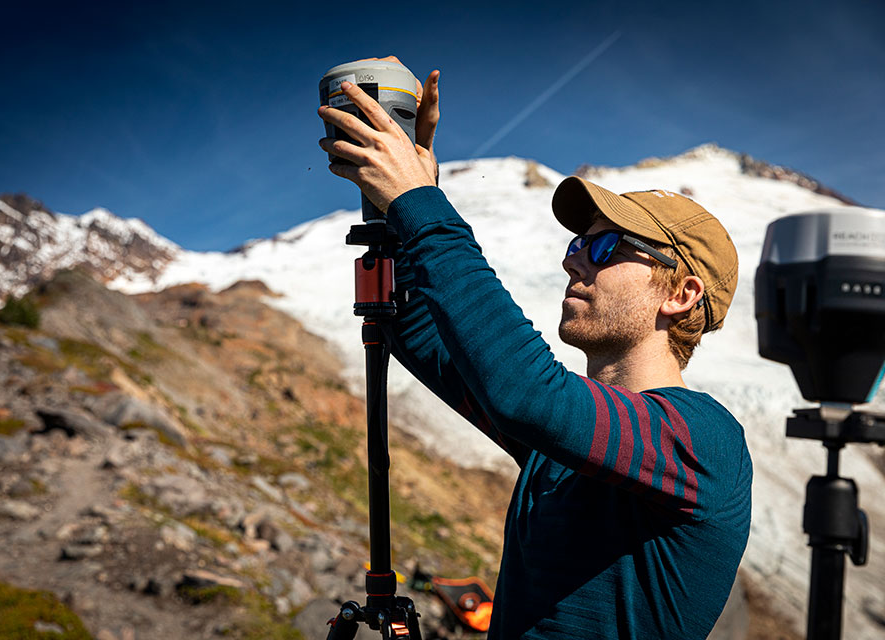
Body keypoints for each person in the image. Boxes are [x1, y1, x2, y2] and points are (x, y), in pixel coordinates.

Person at [318, 60, 752, 640]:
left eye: (604, 249)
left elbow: (523, 392)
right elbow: (417, 331)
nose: (573, 259)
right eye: (577, 244)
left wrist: (423, 205)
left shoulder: (703, 440)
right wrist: (393, 206)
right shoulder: (560, 451)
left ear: (681, 293)